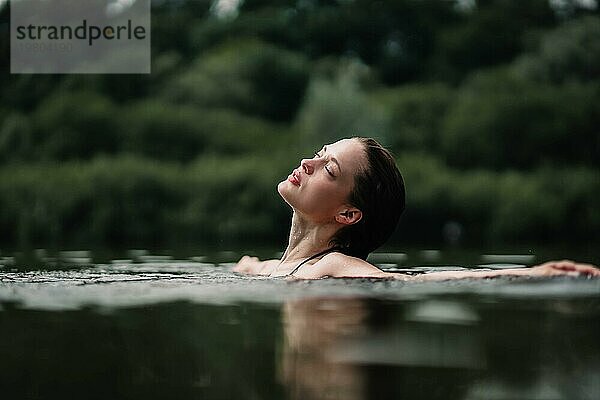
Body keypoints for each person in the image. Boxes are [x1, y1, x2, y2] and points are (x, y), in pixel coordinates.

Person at [233, 137, 599, 280]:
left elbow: (412, 282)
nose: (306, 163)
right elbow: (247, 267)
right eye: (318, 155)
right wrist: (246, 268)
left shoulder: (331, 265)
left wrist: (535, 274)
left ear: (347, 215)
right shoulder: (269, 269)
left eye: (328, 169)